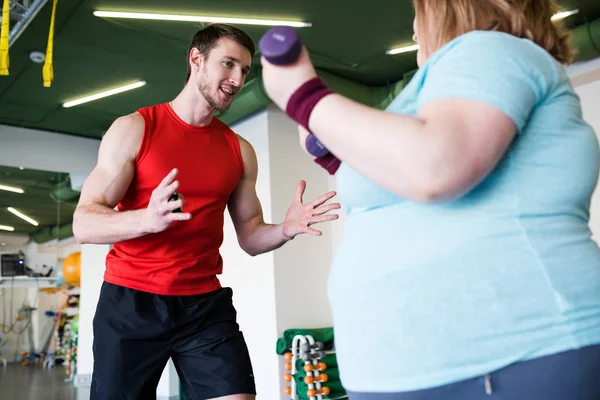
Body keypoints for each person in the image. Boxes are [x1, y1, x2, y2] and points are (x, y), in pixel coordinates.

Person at [260, 0, 600, 399]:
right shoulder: (439, 90)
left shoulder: (493, 49)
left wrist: (304, 96)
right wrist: (338, 153)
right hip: (421, 372)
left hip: (506, 356)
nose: (415, 30)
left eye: (418, 13)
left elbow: (435, 166)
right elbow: (407, 175)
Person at [73, 23, 340, 400]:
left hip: (203, 305)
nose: (237, 78)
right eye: (228, 64)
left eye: (245, 70)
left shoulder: (238, 151)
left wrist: (284, 228)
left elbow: (250, 235)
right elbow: (83, 223)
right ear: (196, 59)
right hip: (131, 301)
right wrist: (145, 220)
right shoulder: (135, 129)